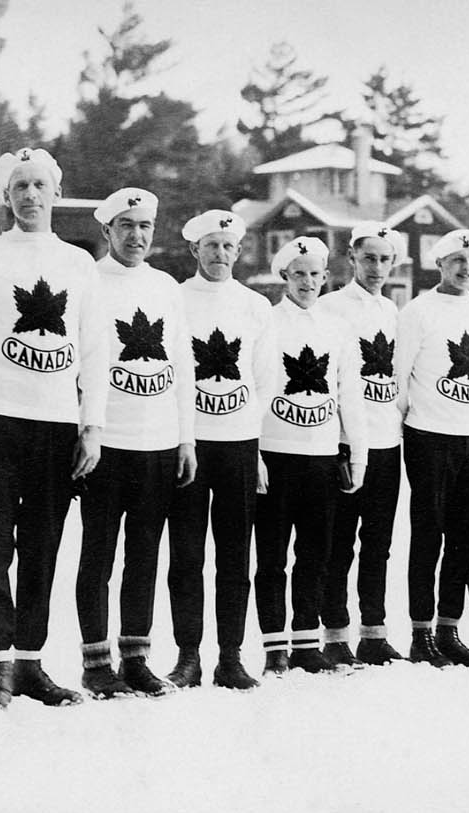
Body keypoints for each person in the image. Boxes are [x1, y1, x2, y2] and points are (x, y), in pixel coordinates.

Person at [0, 147, 107, 707]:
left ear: (57, 192)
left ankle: (30, 661)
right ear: (6, 196)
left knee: (43, 547)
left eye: (40, 185)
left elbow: (93, 348)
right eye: (19, 186)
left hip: (56, 426)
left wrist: (91, 426)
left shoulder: (78, 263)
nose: (30, 195)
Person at [73, 188, 195, 698]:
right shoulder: (88, 280)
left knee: (144, 554)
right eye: (126, 225)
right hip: (108, 442)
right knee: (98, 555)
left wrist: (186, 440)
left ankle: (136, 658)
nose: (136, 235)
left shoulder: (165, 286)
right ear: (107, 230)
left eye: (145, 225)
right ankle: (96, 663)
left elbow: (182, 364)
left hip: (159, 442)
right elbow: (80, 362)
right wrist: (88, 430)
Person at [393, 228, 469, 667]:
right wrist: (410, 427)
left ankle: (448, 630)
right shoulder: (417, 311)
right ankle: (420, 634)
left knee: (465, 538)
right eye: (458, 260)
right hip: (429, 438)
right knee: (428, 536)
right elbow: (399, 379)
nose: (466, 268)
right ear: (440, 264)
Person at [166, 210, 276, 690]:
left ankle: (230, 657)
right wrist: (182, 436)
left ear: (239, 251)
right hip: (188, 444)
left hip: (239, 446)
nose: (220, 253)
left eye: (228, 246)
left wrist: (254, 443)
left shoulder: (255, 305)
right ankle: (188, 656)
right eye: (211, 245)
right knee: (186, 556)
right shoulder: (175, 299)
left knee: (235, 556)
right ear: (195, 249)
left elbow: (265, 380)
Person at [256, 237, 368, 674]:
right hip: (275, 454)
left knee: (315, 554)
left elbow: (350, 395)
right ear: (284, 276)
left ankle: (306, 644)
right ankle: (274, 648)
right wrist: (253, 454)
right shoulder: (266, 321)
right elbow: (255, 389)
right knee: (271, 557)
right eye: (298, 273)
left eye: (315, 274)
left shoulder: (337, 328)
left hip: (321, 457)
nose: (307, 282)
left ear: (326, 277)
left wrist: (357, 455)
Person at [317, 223, 406, 666]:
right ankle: (335, 636)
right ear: (351, 258)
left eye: (385, 259)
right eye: (368, 258)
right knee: (339, 544)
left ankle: (374, 633)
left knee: (378, 543)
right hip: (345, 443)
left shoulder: (393, 311)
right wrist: (342, 441)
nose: (376, 267)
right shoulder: (331, 307)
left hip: (387, 441)